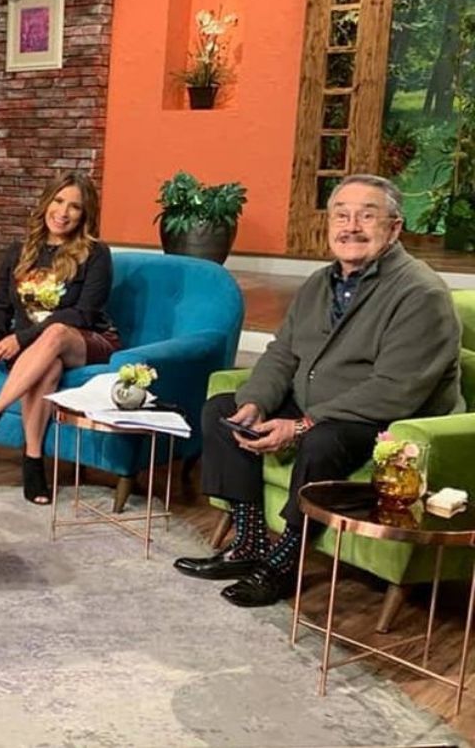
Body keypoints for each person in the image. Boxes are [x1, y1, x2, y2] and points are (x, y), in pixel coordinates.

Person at [174, 174, 463, 607]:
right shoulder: (319, 283)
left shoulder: (420, 293)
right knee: (222, 411)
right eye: (341, 216)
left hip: (383, 419)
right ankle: (249, 542)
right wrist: (255, 402)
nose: (351, 227)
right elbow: (283, 353)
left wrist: (300, 426)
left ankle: (284, 560)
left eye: (367, 216)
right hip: (317, 402)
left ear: (394, 228)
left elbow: (395, 390)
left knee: (322, 441)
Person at [0, 171, 119, 504]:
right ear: (46, 203)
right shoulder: (19, 252)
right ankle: (33, 462)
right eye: (58, 201)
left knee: (56, 332)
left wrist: (20, 340)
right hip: (37, 348)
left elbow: (82, 315)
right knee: (48, 367)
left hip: (86, 341)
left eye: (75, 206)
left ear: (84, 215)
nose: (63, 212)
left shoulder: (95, 254)